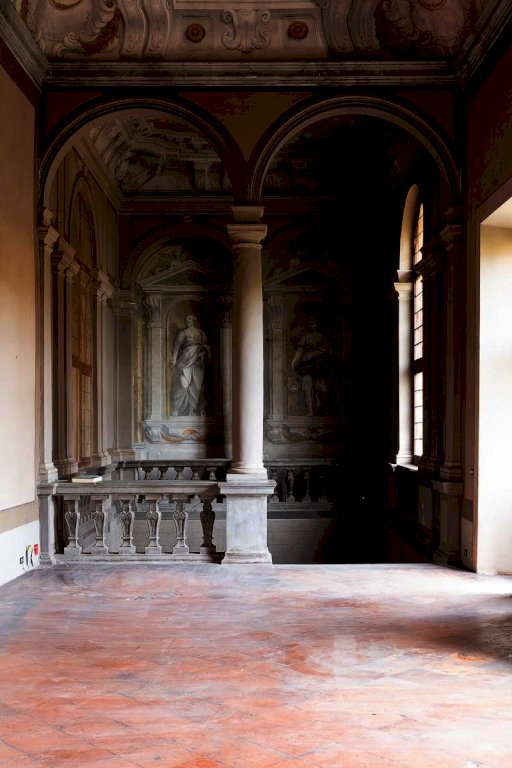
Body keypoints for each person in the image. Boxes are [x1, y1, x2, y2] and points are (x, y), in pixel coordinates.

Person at [291, 317, 331, 416]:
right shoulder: (305, 337)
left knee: (321, 388)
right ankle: (310, 410)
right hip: (307, 365)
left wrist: (320, 351)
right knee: (307, 385)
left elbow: (328, 351)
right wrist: (294, 361)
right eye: (310, 324)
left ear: (317, 325)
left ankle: (321, 408)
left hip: (319, 364)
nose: (311, 326)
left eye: (313, 324)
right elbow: (299, 350)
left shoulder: (322, 337)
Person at [171, 314, 210, 416]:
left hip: (198, 362)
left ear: (193, 320)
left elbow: (206, 347)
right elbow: (177, 346)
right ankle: (177, 408)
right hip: (185, 359)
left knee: (196, 386)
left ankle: (191, 411)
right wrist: (174, 359)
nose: (187, 320)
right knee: (183, 385)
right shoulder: (183, 333)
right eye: (186, 319)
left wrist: (202, 354)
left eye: (189, 318)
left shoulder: (201, 333)